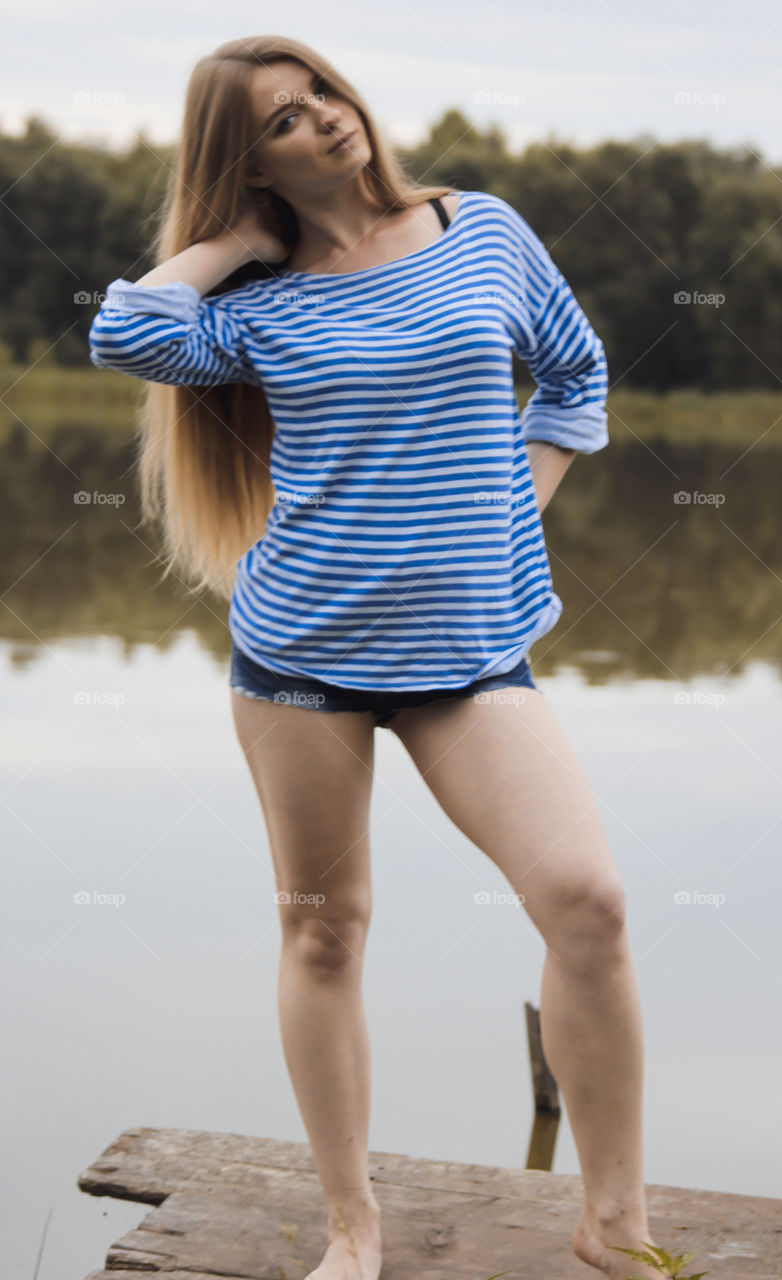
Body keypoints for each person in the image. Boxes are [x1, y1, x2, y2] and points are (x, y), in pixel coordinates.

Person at [88, 35, 661, 1280]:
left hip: (465, 655)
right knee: (324, 931)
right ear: (249, 164)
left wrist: (509, 507)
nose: (328, 122)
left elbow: (574, 375)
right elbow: (128, 332)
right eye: (284, 120)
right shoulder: (255, 300)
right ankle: (353, 1226)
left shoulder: (483, 231)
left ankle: (613, 1222)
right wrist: (239, 241)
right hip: (302, 658)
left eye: (326, 92)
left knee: (588, 903)